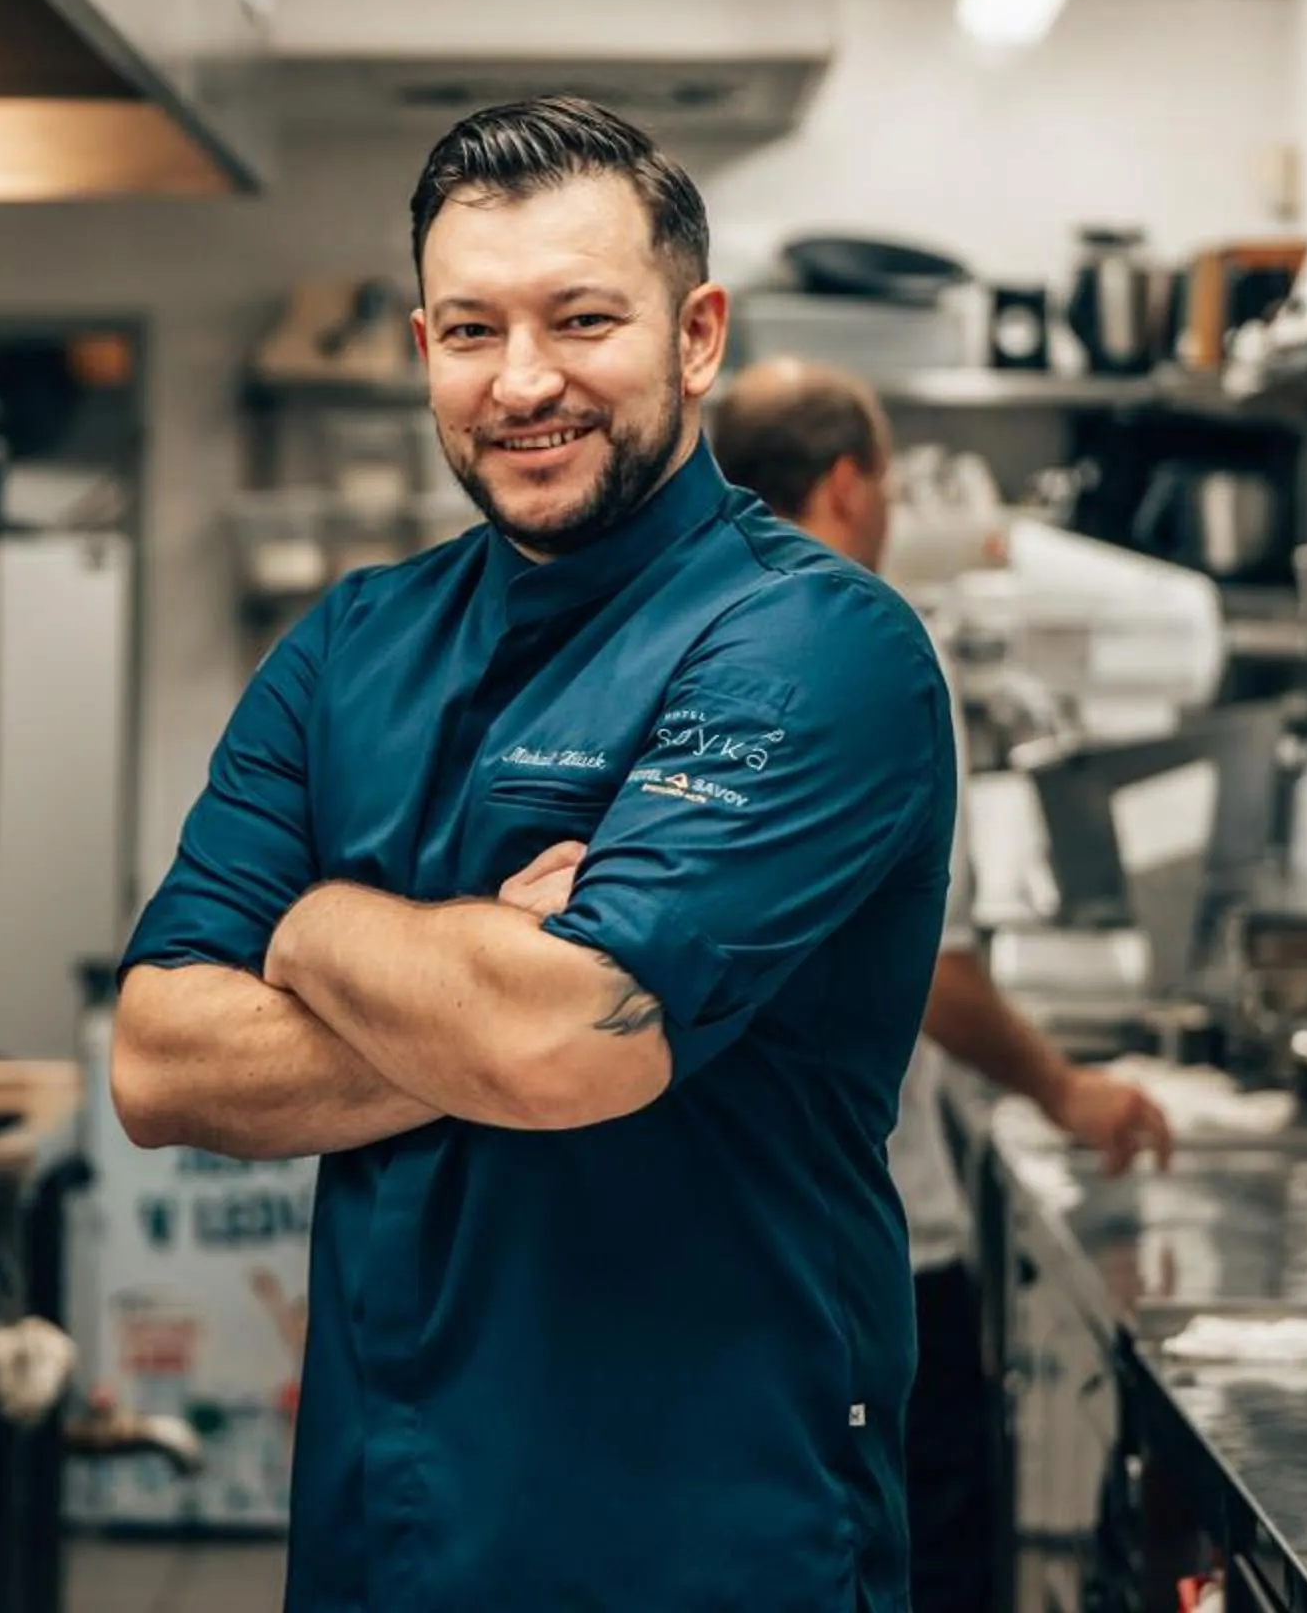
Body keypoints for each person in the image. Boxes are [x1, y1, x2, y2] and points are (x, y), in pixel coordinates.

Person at [111, 97, 957, 1612]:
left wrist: (309, 932)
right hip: (386, 1530)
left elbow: (569, 1041)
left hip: (713, 1535)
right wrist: (473, 980)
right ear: (421, 348)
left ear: (698, 336)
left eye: (581, 319)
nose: (521, 381)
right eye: (469, 330)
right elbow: (161, 1060)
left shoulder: (813, 641)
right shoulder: (350, 644)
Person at [711, 356, 1175, 1613]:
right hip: (871, 1236)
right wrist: (1066, 1088)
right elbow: (931, 967)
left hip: (715, 1239)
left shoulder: (681, 637)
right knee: (915, 1566)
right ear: (852, 484)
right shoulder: (874, 645)